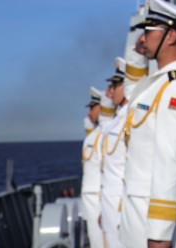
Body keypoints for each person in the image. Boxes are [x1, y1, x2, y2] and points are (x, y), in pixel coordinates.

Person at [120, 0, 176, 248]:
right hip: (138, 210)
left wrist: (160, 235)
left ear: (171, 36)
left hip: (153, 221)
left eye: (148, 31)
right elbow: (131, 91)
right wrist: (136, 48)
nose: (143, 38)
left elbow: (171, 161)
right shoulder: (157, 85)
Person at [100, 58, 129, 248]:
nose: (109, 91)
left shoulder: (131, 118)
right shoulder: (117, 120)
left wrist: (122, 211)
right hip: (110, 205)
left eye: (115, 85)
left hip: (122, 207)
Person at [80, 87, 107, 248]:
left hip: (100, 200)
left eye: (92, 107)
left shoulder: (105, 134)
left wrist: (106, 207)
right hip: (91, 200)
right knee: (95, 241)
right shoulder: (94, 135)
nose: (89, 112)